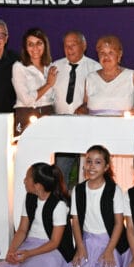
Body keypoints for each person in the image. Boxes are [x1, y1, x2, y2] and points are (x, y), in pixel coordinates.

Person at [0, 162, 74, 267]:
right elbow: (22, 230)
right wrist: (11, 251)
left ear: (38, 186)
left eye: (27, 178)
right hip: (31, 243)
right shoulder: (30, 198)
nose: (24, 181)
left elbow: (54, 242)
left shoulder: (59, 205)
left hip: (52, 249)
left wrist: (29, 254)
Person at [70, 145, 125, 267]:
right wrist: (80, 247)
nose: (92, 166)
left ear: (106, 167)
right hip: (87, 242)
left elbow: (119, 223)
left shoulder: (114, 190)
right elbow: (75, 221)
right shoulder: (78, 190)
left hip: (109, 242)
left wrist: (109, 250)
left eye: (98, 162)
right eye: (89, 161)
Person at [51, 30, 102, 186]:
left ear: (84, 46)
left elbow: (100, 97)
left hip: (86, 127)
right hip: (61, 128)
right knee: (60, 172)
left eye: (73, 44)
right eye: (66, 45)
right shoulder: (55, 67)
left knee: (87, 172)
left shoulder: (95, 67)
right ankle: (61, 199)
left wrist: (86, 107)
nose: (69, 49)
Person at [75, 35, 134, 116]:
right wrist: (81, 109)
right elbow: (85, 105)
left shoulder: (131, 76)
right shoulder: (90, 78)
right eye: (102, 53)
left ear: (119, 55)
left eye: (111, 52)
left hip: (123, 124)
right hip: (95, 124)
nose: (106, 56)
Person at [12, 28, 57, 135]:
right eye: (30, 44)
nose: (35, 48)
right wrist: (48, 84)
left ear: (45, 45)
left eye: (39, 43)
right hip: (26, 114)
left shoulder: (51, 67)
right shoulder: (19, 67)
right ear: (25, 47)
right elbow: (27, 100)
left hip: (48, 114)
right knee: (24, 145)